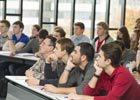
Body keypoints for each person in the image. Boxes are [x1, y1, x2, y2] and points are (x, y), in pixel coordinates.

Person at [68, 42, 140, 100]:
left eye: (99, 56)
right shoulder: (103, 72)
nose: (96, 59)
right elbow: (87, 93)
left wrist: (81, 97)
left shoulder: (123, 75)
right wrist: (97, 73)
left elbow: (111, 99)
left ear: (108, 61)